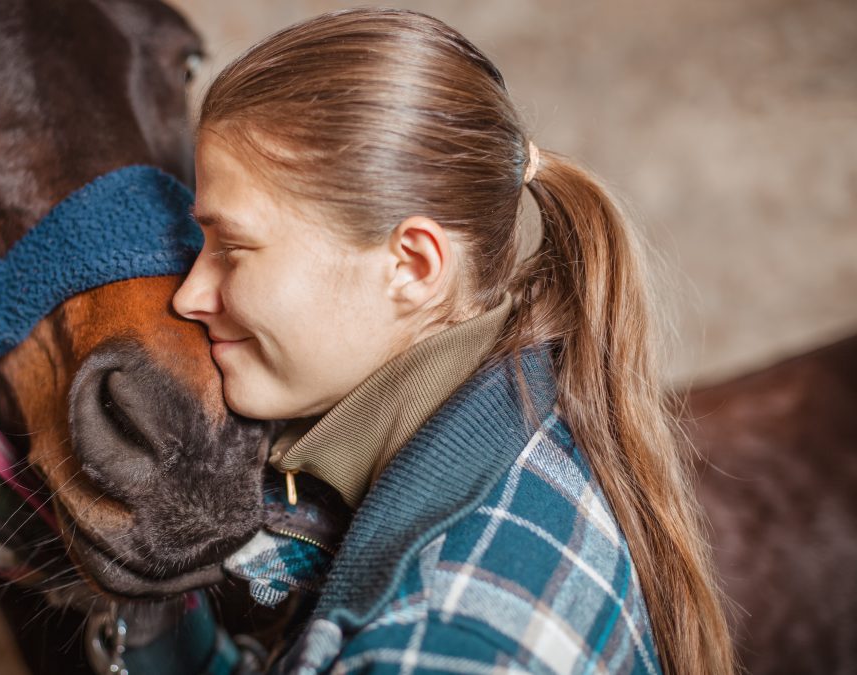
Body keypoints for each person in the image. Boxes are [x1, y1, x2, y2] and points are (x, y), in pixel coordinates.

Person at [170, 8, 734, 674]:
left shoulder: (446, 641)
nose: (188, 295)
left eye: (233, 249)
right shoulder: (521, 423)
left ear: (412, 266)